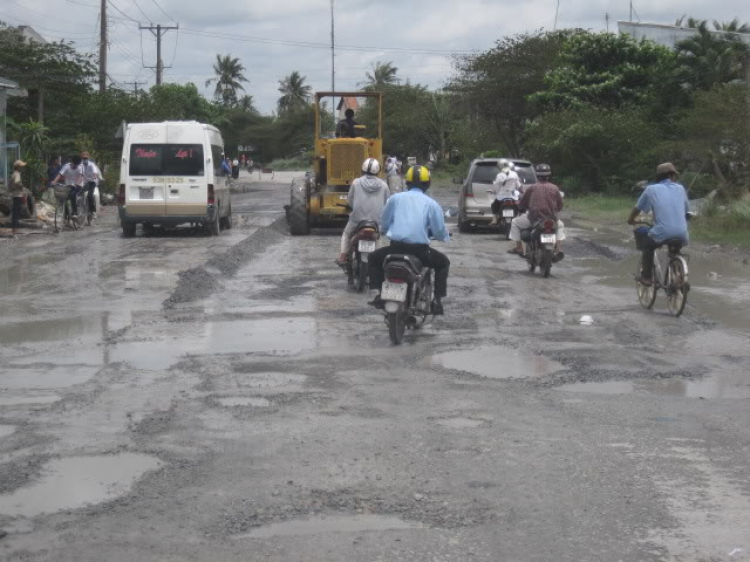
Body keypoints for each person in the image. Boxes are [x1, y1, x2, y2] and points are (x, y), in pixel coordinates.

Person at [368, 165, 450, 315]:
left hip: (395, 248)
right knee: (443, 263)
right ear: (427, 183)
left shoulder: (395, 199)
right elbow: (439, 231)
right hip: (420, 252)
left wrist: (385, 230)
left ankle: (380, 293)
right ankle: (437, 301)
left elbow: (385, 221)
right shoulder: (432, 204)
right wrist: (444, 236)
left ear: (408, 182)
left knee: (373, 258)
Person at [627, 162, 689, 286]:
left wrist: (631, 220)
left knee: (648, 245)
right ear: (672, 175)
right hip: (682, 233)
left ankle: (646, 277)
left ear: (659, 176)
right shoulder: (681, 188)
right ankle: (678, 274)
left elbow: (637, 208)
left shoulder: (651, 189)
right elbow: (686, 210)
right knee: (674, 249)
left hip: (662, 231)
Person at [335, 158, 391, 265]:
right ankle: (379, 261)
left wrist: (350, 207)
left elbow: (350, 201)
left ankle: (342, 257)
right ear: (378, 170)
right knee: (378, 238)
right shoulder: (384, 185)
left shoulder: (356, 182)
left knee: (346, 234)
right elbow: (387, 205)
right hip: (376, 222)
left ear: (363, 169)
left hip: (357, 221)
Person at [508, 163, 565, 260]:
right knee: (560, 225)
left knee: (514, 222)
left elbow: (522, 204)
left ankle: (519, 248)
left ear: (537, 175)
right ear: (549, 175)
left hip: (534, 219)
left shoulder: (532, 188)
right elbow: (560, 206)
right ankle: (558, 249)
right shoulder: (555, 188)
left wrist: (521, 208)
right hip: (551, 219)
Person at [490, 159, 522, 226]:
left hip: (502, 196)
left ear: (499, 166)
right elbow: (518, 185)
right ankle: (520, 217)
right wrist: (521, 191)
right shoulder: (514, 174)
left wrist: (495, 192)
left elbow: (496, 187)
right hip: (513, 196)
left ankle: (494, 219)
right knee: (521, 205)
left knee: (493, 205)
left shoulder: (499, 175)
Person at [80, 151, 103, 219]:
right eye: (84, 158)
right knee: (78, 194)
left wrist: (94, 176)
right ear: (82, 158)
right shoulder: (80, 165)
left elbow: (95, 172)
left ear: (88, 158)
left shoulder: (92, 165)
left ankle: (93, 211)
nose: (85, 160)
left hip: (92, 182)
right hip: (83, 182)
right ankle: (79, 209)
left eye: (86, 158)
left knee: (90, 195)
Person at [9, 160, 27, 235]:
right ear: (18, 167)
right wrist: (22, 187)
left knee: (15, 212)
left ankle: (14, 228)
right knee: (16, 212)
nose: (22, 168)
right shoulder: (17, 174)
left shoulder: (13, 174)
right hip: (17, 195)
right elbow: (17, 182)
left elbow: (10, 184)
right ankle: (15, 229)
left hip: (14, 194)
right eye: (21, 166)